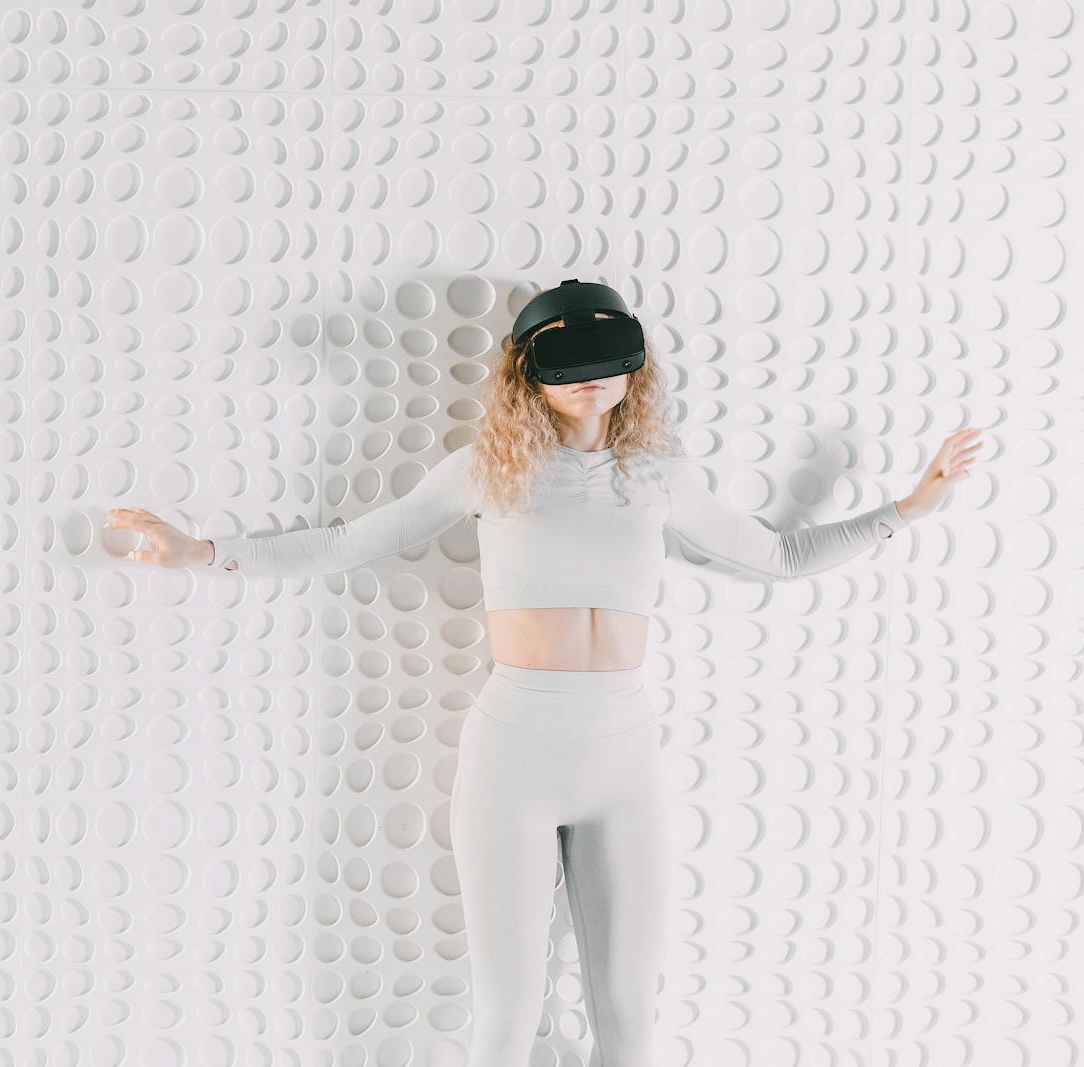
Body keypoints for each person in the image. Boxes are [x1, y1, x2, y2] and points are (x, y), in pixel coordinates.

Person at [104, 279, 983, 1066]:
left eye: (607, 358)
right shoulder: (488, 472)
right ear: (529, 374)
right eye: (565, 362)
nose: (590, 378)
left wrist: (910, 506)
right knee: (506, 1018)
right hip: (515, 753)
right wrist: (202, 553)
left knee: (631, 1019)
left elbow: (782, 554)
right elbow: (346, 543)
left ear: (635, 367)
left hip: (623, 756)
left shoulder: (659, 479)